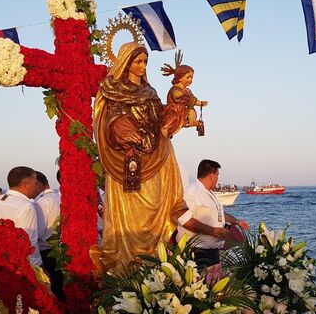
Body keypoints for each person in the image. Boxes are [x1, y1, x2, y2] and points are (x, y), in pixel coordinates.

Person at [93, 41, 187, 274]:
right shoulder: (114, 89)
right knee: (131, 211)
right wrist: (125, 131)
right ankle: (126, 265)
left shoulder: (150, 91)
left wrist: (174, 109)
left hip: (155, 154)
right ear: (126, 63)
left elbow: (158, 120)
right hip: (128, 157)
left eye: (145, 61)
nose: (142, 66)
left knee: (157, 205)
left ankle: (155, 259)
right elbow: (111, 119)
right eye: (137, 62)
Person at [176, 159, 249, 267]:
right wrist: (212, 231)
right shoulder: (191, 192)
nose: (217, 179)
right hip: (196, 253)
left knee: (214, 283)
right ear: (211, 175)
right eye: (217, 175)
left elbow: (220, 214)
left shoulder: (209, 193)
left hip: (212, 252)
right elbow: (183, 218)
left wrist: (237, 222)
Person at [160, 50, 208, 135]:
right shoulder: (175, 88)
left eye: (191, 77)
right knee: (173, 117)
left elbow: (192, 100)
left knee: (192, 112)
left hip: (184, 110)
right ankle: (166, 128)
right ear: (179, 77)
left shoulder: (188, 91)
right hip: (174, 109)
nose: (190, 80)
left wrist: (201, 103)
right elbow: (175, 95)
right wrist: (183, 93)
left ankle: (193, 123)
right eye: (188, 77)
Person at [34, 171, 64, 301]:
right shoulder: (59, 197)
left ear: (38, 184)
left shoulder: (41, 202)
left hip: (47, 252)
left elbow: (38, 232)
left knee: (54, 290)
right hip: (63, 249)